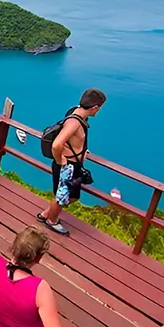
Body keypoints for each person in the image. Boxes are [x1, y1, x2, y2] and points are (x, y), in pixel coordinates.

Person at [38, 88, 107, 237]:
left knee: (64, 194)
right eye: (99, 108)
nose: (98, 111)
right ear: (95, 107)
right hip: (67, 166)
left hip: (70, 165)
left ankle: (46, 214)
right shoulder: (74, 122)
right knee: (65, 196)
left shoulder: (76, 112)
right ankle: (52, 220)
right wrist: (61, 161)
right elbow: (57, 144)